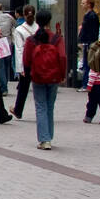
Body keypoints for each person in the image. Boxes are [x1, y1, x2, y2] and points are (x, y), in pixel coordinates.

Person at [24, 10, 66, 150]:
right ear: (50, 21)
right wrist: (62, 74)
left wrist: (29, 73)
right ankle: (49, 136)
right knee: (49, 106)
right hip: (54, 76)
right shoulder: (56, 39)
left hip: (38, 76)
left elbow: (27, 60)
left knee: (40, 106)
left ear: (37, 21)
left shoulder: (31, 40)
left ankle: (44, 139)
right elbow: (62, 57)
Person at [9, 5, 37, 120]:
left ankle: (18, 110)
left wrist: (20, 68)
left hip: (27, 61)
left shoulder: (19, 30)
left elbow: (19, 50)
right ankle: (43, 110)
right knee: (39, 87)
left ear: (24, 15)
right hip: (39, 61)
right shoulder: (39, 27)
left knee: (23, 88)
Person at [0, 2, 15, 96]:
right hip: (8, 41)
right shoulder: (9, 17)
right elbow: (14, 24)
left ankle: (3, 87)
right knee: (6, 65)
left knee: (0, 66)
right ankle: (5, 83)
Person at [78, 0, 100, 89]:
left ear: (88, 4)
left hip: (89, 42)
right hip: (88, 42)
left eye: (83, 3)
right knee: (86, 63)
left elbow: (91, 31)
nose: (81, 5)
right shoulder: (89, 15)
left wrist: (87, 41)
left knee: (87, 63)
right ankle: (86, 83)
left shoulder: (91, 16)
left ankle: (86, 84)